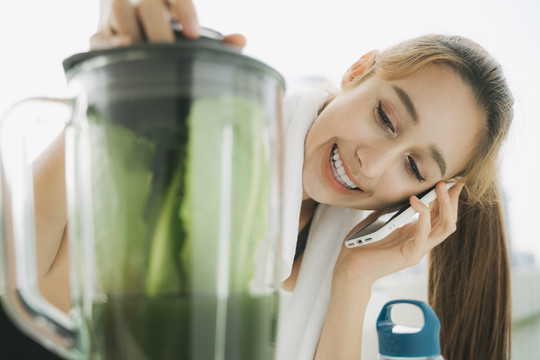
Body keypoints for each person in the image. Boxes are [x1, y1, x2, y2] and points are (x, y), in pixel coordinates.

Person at [30, 0, 512, 359]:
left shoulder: (336, 253)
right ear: (358, 71)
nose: (372, 162)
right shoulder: (190, 145)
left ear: (427, 196)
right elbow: (30, 304)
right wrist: (110, 104)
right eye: (385, 117)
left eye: (414, 168)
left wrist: (354, 278)